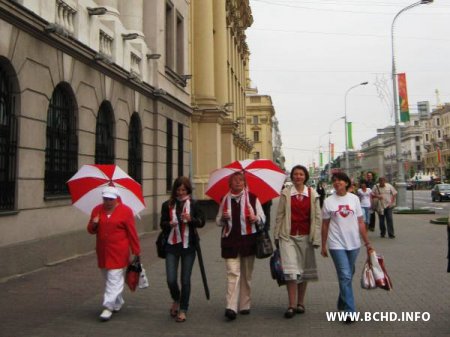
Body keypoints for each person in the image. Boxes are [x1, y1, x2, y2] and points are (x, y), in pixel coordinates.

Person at [321, 172, 372, 322]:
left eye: (340, 181)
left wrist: (367, 242)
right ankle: (349, 311)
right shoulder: (328, 201)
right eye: (335, 181)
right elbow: (325, 225)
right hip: (336, 243)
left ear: (346, 183)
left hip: (354, 243)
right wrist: (323, 245)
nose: (337, 183)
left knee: (348, 274)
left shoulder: (354, 199)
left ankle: (341, 301)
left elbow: (361, 222)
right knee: (344, 275)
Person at [216, 171, 266, 321]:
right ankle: (231, 307)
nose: (238, 182)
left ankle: (245, 304)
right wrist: (223, 219)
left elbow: (263, 219)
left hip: (248, 241)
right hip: (230, 242)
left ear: (245, 183)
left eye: (241, 180)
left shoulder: (252, 198)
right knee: (233, 273)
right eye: (235, 180)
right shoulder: (225, 199)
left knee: (246, 275)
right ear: (230, 183)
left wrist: (255, 218)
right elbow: (218, 220)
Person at [87, 186, 141, 322]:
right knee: (107, 278)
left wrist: (136, 251)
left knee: (114, 277)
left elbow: (132, 232)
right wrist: (94, 224)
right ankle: (118, 301)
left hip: (119, 251)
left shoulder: (126, 211)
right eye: (105, 198)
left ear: (116, 199)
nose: (108, 202)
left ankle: (108, 307)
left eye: (111, 199)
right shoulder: (97, 210)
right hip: (103, 251)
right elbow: (90, 230)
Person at [274, 165, 321, 319]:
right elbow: (279, 215)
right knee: (291, 272)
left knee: (303, 271)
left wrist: (317, 237)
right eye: (295, 174)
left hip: (306, 237)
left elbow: (317, 218)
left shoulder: (312, 194)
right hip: (288, 236)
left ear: (305, 176)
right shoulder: (286, 194)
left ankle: (301, 303)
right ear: (292, 177)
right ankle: (291, 305)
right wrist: (276, 235)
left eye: (301, 174)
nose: (298, 177)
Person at [160, 176, 205, 323]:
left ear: (188, 190)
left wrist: (191, 219)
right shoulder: (167, 204)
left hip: (188, 246)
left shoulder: (194, 204)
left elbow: (202, 222)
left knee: (185, 279)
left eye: (183, 189)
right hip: (172, 245)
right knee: (171, 279)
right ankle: (176, 298)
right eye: (178, 189)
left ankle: (183, 309)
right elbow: (162, 224)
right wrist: (169, 224)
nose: (180, 192)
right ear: (174, 190)